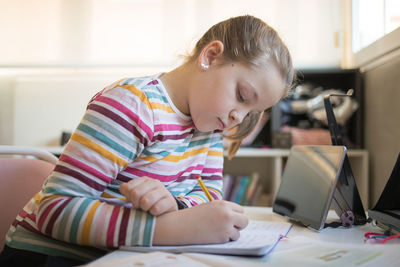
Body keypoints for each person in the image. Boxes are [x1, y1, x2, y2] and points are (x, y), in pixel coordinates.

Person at [0, 15, 294, 266]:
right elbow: (56, 210)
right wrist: (168, 227)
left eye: (251, 113)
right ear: (210, 56)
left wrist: (175, 205)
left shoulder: (209, 126)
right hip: (50, 256)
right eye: (242, 96)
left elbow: (209, 195)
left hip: (121, 255)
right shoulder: (133, 105)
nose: (238, 119)